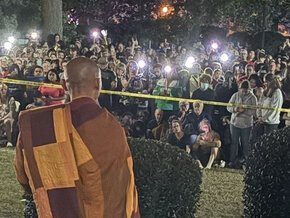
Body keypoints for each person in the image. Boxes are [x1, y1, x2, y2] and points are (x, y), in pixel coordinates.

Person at [14, 57, 139, 217]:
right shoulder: (113, 128)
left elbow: (23, 176)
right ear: (98, 83)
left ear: (64, 85)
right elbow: (123, 182)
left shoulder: (39, 125)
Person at [227, 80, 257, 166]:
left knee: (245, 143)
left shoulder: (253, 98)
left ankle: (247, 161)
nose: (244, 93)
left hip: (246, 125)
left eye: (246, 91)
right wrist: (236, 109)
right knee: (234, 142)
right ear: (240, 89)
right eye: (242, 90)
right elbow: (228, 107)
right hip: (234, 123)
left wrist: (244, 111)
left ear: (249, 89)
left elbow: (254, 112)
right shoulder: (235, 95)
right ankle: (232, 160)